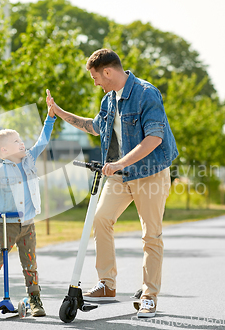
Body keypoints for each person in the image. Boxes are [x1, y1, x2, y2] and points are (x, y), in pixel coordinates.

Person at [46, 49, 178, 318]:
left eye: (95, 76)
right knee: (100, 219)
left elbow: (154, 138)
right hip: (120, 175)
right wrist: (58, 111)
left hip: (149, 172)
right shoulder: (109, 100)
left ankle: (149, 295)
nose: (95, 82)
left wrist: (120, 163)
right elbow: (94, 126)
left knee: (151, 235)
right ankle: (107, 284)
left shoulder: (145, 93)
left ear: (107, 72)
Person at [0, 102, 56, 319]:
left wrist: (50, 118)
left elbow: (43, 141)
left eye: (21, 140)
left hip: (27, 224)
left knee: (30, 263)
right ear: (4, 150)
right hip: (4, 226)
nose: (22, 144)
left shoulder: (28, 159)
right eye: (17, 141)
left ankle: (35, 299)